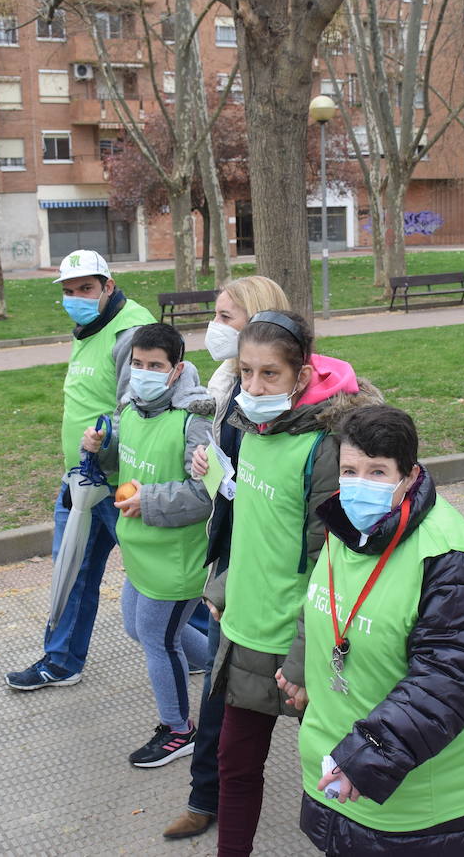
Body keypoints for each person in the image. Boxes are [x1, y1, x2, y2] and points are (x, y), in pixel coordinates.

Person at [278, 404, 464, 855]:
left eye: (377, 472)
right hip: (359, 768)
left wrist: (369, 753)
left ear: (409, 476)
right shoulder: (349, 525)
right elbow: (324, 603)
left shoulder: (449, 560)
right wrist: (303, 668)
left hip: (438, 789)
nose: (358, 485)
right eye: (350, 470)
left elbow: (446, 679)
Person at [195, 311, 381, 857]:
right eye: (245, 372)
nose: (253, 387)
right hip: (245, 633)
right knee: (235, 767)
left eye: (270, 374)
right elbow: (256, 529)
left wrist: (302, 660)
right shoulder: (254, 428)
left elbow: (331, 564)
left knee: (333, 776)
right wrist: (225, 586)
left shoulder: (323, 448)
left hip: (301, 649)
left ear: (300, 376)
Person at [161, 275, 292, 841]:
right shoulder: (224, 392)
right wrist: (212, 473)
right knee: (221, 690)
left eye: (226, 317)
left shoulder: (291, 407)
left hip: (285, 576)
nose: (215, 329)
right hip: (230, 564)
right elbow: (232, 484)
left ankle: (338, 799)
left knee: (310, 693)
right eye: (215, 315)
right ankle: (205, 794)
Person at [6, 249, 156, 691]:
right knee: (71, 569)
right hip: (83, 480)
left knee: (159, 578)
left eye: (86, 289)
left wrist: (106, 447)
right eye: (69, 291)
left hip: (121, 483)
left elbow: (141, 406)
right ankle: (61, 662)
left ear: (108, 286)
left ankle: (201, 647)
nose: (76, 298)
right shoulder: (90, 325)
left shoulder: (131, 330)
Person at [83, 323, 214, 768]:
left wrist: (150, 501)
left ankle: (179, 730)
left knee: (159, 639)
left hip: (177, 561)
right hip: (140, 549)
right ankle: (214, 661)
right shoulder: (131, 407)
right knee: (139, 629)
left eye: (154, 366)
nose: (143, 373)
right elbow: (121, 461)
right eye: (137, 364)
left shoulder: (194, 420)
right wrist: (101, 449)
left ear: (176, 370)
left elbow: (204, 495)